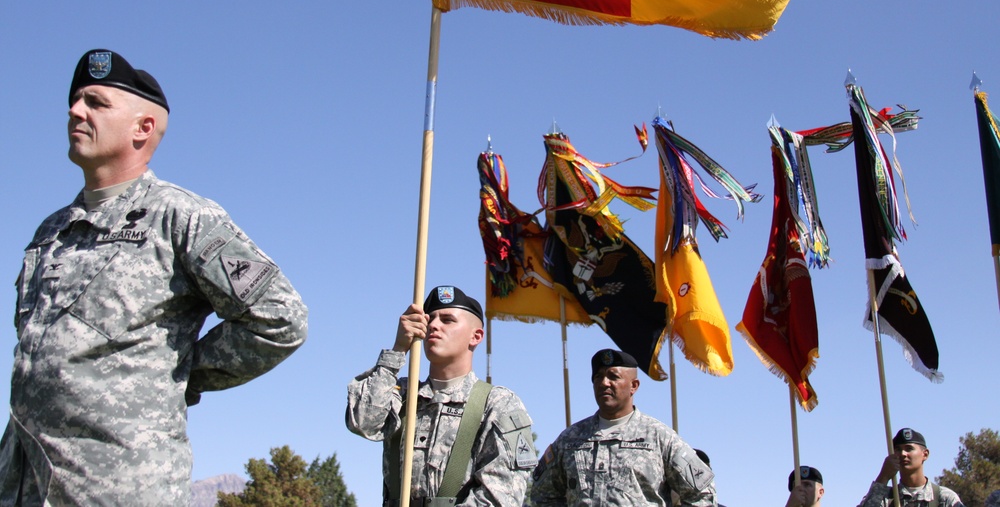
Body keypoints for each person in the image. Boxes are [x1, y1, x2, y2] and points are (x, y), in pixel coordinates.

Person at [0, 49, 309, 505]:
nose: (74, 110)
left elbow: (280, 318)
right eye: (75, 101)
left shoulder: (181, 217)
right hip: (25, 486)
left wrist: (180, 374)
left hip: (118, 488)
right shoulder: (51, 231)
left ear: (143, 128)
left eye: (95, 102)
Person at [346, 285, 537, 506]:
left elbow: (501, 496)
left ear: (475, 336)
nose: (433, 325)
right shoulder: (403, 394)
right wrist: (398, 349)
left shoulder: (497, 404)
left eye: (447, 320)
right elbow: (363, 422)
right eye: (430, 319)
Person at [530, 348, 716, 506]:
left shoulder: (659, 437)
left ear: (633, 386)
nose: (604, 383)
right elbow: (542, 494)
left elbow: (702, 493)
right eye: (598, 377)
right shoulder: (570, 439)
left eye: (613, 377)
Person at [857, 428, 964, 506]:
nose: (903, 454)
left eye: (909, 449)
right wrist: (883, 477)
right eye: (898, 449)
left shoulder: (944, 498)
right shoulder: (886, 499)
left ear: (925, 454)